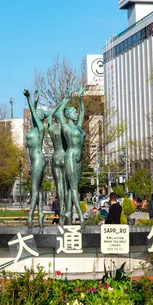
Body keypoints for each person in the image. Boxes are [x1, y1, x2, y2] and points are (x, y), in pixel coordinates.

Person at [56, 85, 86, 228]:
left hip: (80, 158)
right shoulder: (66, 127)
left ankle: (69, 212)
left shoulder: (78, 127)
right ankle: (79, 214)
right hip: (71, 156)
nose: (76, 113)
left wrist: (79, 98)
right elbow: (60, 112)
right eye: (73, 112)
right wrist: (66, 100)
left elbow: (83, 112)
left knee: (74, 188)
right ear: (68, 115)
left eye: (75, 112)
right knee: (73, 187)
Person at [23, 89, 48, 228]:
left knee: (34, 189)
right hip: (34, 161)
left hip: (38, 159)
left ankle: (31, 215)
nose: (35, 115)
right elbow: (33, 115)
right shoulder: (34, 129)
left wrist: (29, 99)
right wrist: (35, 101)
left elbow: (33, 113)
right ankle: (41, 215)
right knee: (37, 189)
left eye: (38, 114)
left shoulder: (40, 129)